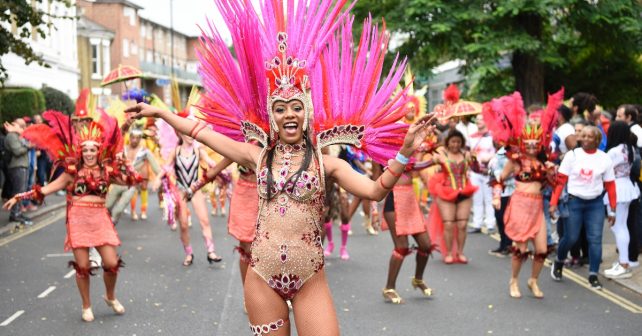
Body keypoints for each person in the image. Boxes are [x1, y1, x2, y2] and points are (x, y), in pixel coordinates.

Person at [125, 1, 433, 332]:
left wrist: (403, 152)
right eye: (281, 108)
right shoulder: (256, 156)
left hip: (310, 277)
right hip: (262, 276)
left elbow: (375, 190)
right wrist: (162, 114)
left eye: (296, 107)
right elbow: (202, 132)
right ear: (272, 116)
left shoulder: (325, 162)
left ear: (306, 114)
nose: (289, 114)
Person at [3, 110, 140, 322]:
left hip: (100, 220)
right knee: (83, 266)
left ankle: (110, 296)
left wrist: (126, 163)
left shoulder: (107, 170)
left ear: (99, 150)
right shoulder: (71, 173)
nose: (89, 153)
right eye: (85, 150)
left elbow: (130, 181)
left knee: (111, 263)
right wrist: (20, 196)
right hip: (78, 221)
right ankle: (86, 305)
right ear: (80, 152)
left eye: (93, 149)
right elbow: (47, 189)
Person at [487, 90, 562, 299]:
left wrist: (550, 172)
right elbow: (498, 178)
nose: (530, 146)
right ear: (523, 142)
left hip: (537, 207)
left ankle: (533, 281)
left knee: (541, 249)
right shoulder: (516, 160)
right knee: (519, 249)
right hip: (520, 204)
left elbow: (553, 185)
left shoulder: (543, 162)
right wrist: (495, 196)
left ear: (540, 143)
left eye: (534, 143)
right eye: (527, 142)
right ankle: (514, 280)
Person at [550, 126, 617, 290]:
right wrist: (553, 203)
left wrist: (613, 209)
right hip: (574, 202)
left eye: (590, 136)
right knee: (571, 238)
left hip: (595, 203)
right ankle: (559, 261)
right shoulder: (572, 156)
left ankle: (593, 275)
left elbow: (610, 185)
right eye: (583, 136)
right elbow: (560, 181)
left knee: (595, 239)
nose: (586, 139)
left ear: (597, 140)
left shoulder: (604, 159)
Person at [153, 130, 223, 267]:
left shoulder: (198, 150)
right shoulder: (176, 151)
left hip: (195, 189)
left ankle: (211, 252)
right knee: (184, 225)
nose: (190, 137)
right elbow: (167, 167)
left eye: (192, 134)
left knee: (204, 220)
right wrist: (157, 179)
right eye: (187, 133)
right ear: (180, 134)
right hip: (181, 190)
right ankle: (189, 253)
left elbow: (210, 162)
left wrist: (223, 171)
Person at [428, 130, 478, 264]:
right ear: (448, 142)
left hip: (464, 192)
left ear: (462, 143)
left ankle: (460, 252)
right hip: (446, 192)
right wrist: (436, 162)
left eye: (458, 142)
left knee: (462, 224)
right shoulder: (441, 154)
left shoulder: (467, 154)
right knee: (449, 224)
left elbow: (477, 168)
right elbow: (430, 164)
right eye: (453, 142)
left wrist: (474, 159)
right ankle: (449, 252)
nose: (456, 144)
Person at [602, 121, 639, 279]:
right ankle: (624, 261)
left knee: (619, 227)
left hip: (616, 189)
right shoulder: (629, 148)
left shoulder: (614, 152)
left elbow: (605, 171)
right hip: (627, 188)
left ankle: (624, 264)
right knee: (621, 226)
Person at [467, 114, 496, 234]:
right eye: (477, 119)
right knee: (477, 199)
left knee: (489, 198)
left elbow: (495, 153)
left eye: (481, 119)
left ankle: (490, 224)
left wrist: (488, 160)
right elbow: (468, 152)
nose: (479, 121)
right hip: (475, 171)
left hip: (488, 171)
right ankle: (477, 224)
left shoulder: (492, 136)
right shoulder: (472, 136)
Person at [3, 118, 33, 225]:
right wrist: (28, 146)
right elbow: (17, 151)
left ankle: (18, 212)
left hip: (22, 166)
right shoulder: (11, 136)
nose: (24, 128)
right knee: (18, 191)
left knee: (22, 192)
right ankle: (14, 214)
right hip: (16, 166)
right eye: (22, 126)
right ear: (16, 125)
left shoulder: (18, 136)